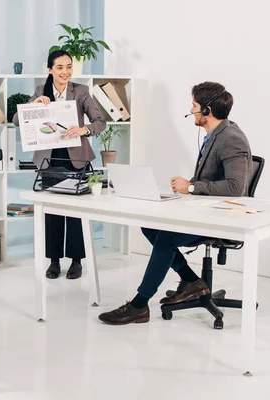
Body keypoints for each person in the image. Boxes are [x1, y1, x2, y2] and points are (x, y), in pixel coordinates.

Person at [98, 81, 252, 325]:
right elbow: (212, 179)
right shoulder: (215, 134)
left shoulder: (231, 138)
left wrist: (191, 187)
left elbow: (236, 188)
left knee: (167, 237)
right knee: (150, 226)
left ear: (206, 110)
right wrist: (185, 191)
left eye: (194, 105)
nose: (191, 110)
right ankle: (192, 282)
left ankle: (139, 305)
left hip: (221, 218)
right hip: (203, 209)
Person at [13, 50, 107, 280]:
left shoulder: (81, 91)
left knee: (76, 213)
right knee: (52, 213)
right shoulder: (39, 91)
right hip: (50, 159)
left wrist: (84, 129)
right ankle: (53, 261)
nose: (65, 72)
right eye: (59, 67)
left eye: (68, 66)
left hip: (76, 159)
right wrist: (35, 105)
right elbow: (17, 120)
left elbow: (100, 122)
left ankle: (76, 261)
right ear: (50, 70)